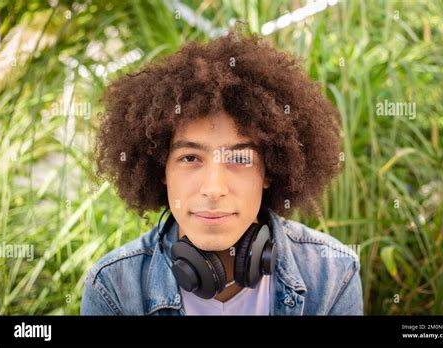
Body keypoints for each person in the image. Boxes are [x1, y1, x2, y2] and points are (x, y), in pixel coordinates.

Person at [81, 29, 363, 315]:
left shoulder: (333, 274)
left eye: (240, 158)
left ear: (269, 171)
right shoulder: (112, 287)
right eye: (190, 157)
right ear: (161, 168)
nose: (213, 188)